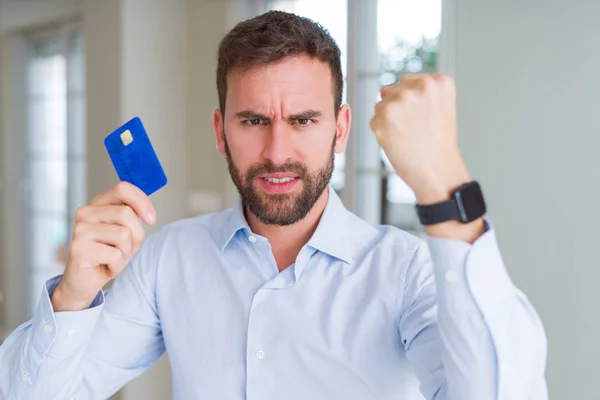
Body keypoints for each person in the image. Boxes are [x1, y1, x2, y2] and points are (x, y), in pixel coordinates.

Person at [0, 10, 547, 400]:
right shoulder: (170, 258)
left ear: (341, 128)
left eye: (304, 120)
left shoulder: (407, 271)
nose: (278, 151)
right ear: (221, 131)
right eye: (254, 121)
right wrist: (73, 297)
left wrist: (445, 183)